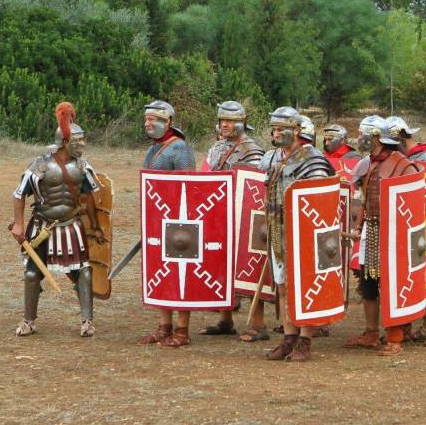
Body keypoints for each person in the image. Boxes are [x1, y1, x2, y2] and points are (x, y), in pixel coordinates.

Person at [10, 102, 104, 337]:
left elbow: (90, 198)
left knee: (83, 273)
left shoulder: (83, 166)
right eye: (77, 141)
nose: (82, 145)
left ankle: (87, 321)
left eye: (82, 140)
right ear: (65, 141)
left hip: (72, 226)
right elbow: (19, 194)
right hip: (44, 226)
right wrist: (19, 224)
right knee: (32, 274)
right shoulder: (40, 165)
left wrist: (96, 226)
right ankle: (29, 320)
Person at [261, 107, 335, 361]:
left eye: (282, 128)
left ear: (296, 130)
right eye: (274, 128)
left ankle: (305, 340)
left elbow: (320, 200)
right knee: (282, 287)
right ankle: (288, 338)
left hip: (303, 233)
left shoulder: (311, 160)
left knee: (302, 286)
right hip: (277, 229)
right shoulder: (271, 158)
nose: (277, 132)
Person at [344, 115, 420, 355]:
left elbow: (413, 203)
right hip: (371, 229)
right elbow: (365, 200)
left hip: (394, 233)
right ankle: (371, 333)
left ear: (376, 137)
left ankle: (395, 336)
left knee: (391, 283)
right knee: (368, 282)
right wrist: (359, 225)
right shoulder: (368, 163)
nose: (359, 139)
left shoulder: (403, 165)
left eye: (363, 134)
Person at [199, 101, 267, 340]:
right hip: (219, 216)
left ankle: (258, 325)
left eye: (229, 121)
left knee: (248, 268)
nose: (224, 125)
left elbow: (255, 190)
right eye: (221, 121)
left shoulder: (252, 150)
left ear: (241, 123)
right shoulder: (217, 148)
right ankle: (225, 321)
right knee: (222, 268)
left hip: (242, 218)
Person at [137, 100, 197, 347]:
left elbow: (190, 187)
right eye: (146, 119)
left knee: (181, 272)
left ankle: (182, 331)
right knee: (161, 273)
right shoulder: (154, 149)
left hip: (180, 221)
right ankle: (164, 326)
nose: (148, 124)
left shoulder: (180, 149)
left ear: (168, 122)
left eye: (154, 119)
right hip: (158, 219)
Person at [389, 116, 426, 345]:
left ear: (400, 139)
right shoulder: (400, 159)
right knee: (408, 278)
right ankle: (412, 326)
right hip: (407, 225)